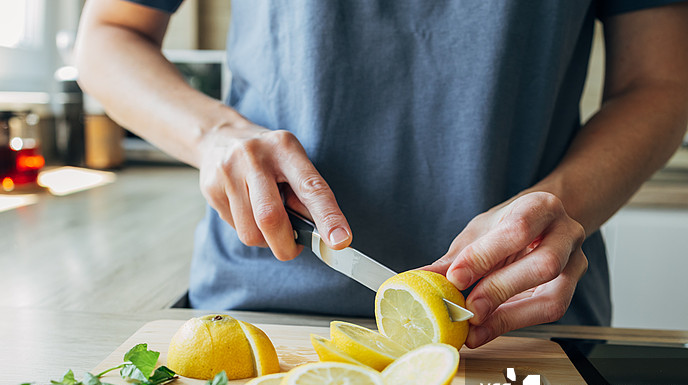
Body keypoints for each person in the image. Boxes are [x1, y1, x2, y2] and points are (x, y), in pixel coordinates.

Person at [75, 0, 688, 348]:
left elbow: (661, 82)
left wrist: (564, 199)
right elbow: (108, 33)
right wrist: (214, 136)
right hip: (257, 324)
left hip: (525, 325)